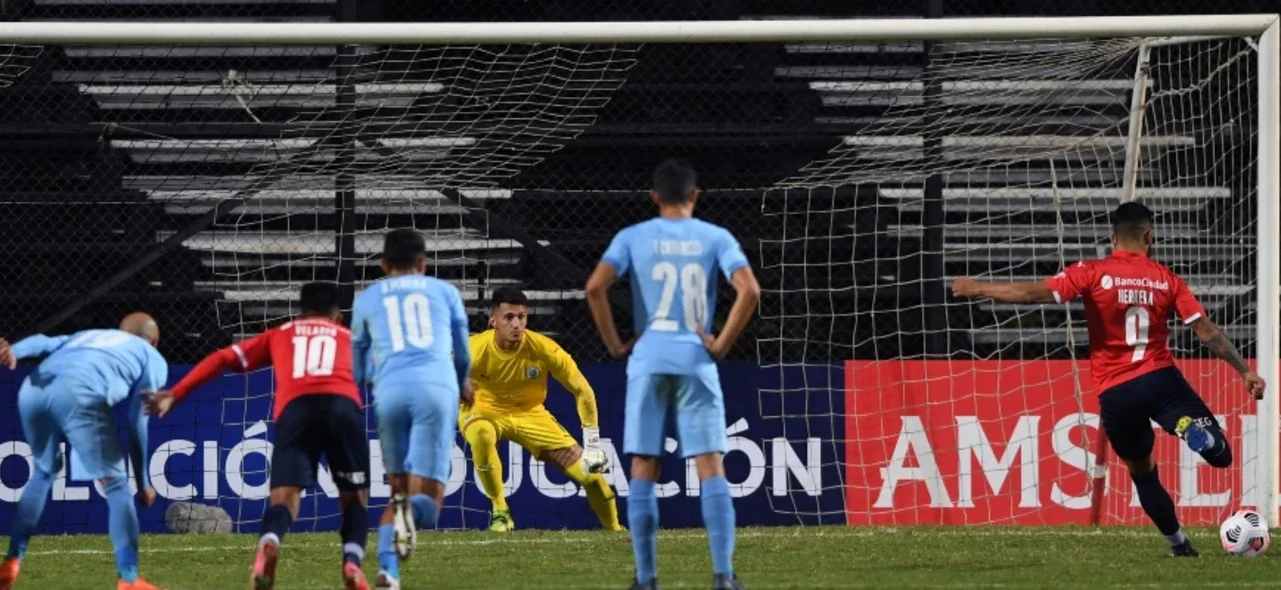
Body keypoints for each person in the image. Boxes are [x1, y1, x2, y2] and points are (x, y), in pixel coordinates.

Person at [952, 201, 1266, 556]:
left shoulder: (1092, 271)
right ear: (1149, 235)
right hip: (1159, 379)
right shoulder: (1166, 278)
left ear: (1112, 236)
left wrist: (979, 287)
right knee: (1221, 456)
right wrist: (1244, 370)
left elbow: (1031, 294)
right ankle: (1191, 431)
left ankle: (1179, 546)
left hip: (1115, 392)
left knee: (1143, 474)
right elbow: (1205, 329)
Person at [586, 159, 759, 590]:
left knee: (645, 463)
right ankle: (723, 575)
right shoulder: (715, 237)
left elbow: (594, 287)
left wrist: (614, 344)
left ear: (654, 197)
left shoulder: (633, 237)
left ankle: (646, 579)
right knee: (710, 465)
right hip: (695, 360)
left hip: (648, 358)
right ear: (695, 195)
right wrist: (721, 344)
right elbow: (750, 290)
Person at [144, 282, 371, 590]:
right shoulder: (351, 338)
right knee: (354, 498)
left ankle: (270, 541)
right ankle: (352, 563)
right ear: (338, 316)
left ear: (301, 311)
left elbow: (224, 357)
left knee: (284, 499)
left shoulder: (281, 333)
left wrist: (176, 392)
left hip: (296, 411)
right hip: (343, 407)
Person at [0, 313, 168, 590]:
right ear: (155, 341)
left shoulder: (89, 335)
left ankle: (11, 562)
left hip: (33, 389)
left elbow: (43, 341)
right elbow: (137, 422)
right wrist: (143, 482)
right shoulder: (152, 357)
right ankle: (128, 579)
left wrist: (13, 352)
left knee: (43, 472)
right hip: (79, 392)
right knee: (115, 486)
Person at [350, 228, 472, 590]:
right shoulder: (445, 291)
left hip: (389, 393)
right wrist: (463, 381)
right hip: (436, 389)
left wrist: (377, 378)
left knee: (398, 491)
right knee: (429, 505)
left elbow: (357, 365)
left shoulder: (367, 297)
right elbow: (463, 353)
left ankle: (389, 571)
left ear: (383, 264)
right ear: (423, 262)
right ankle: (407, 521)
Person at [463, 286, 620, 533]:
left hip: (531, 414)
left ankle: (615, 532)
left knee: (592, 479)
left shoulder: (545, 349)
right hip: (485, 409)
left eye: (521, 317)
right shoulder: (473, 349)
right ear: (493, 320)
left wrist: (592, 445)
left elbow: (583, 391)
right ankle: (500, 511)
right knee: (481, 435)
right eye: (508, 317)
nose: (516, 324)